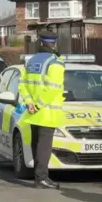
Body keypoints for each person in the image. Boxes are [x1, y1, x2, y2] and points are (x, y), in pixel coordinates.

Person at [18, 30, 65, 189]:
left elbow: (22, 85)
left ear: (41, 43)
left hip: (32, 112)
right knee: (44, 147)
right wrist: (38, 105)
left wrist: (30, 103)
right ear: (55, 43)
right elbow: (53, 89)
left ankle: (39, 177)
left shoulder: (30, 61)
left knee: (36, 144)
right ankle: (42, 178)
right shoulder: (55, 63)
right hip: (47, 112)